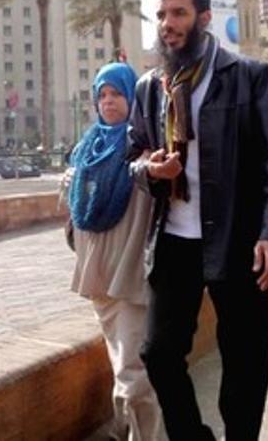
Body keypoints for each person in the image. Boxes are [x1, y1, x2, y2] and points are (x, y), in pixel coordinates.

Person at [129, 0, 268, 441]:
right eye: (162, 15)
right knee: (158, 353)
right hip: (174, 239)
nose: (168, 25)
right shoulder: (151, 88)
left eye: (178, 14)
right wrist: (151, 168)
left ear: (204, 19)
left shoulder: (249, 76)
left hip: (238, 238)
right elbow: (134, 153)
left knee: (244, 357)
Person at [65, 62, 162, 441]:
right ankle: (125, 431)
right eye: (102, 95)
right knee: (121, 365)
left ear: (132, 98)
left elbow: (154, 183)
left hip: (131, 274)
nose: (108, 102)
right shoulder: (86, 150)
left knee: (133, 375)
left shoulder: (144, 147)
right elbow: (75, 209)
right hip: (99, 276)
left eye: (117, 94)